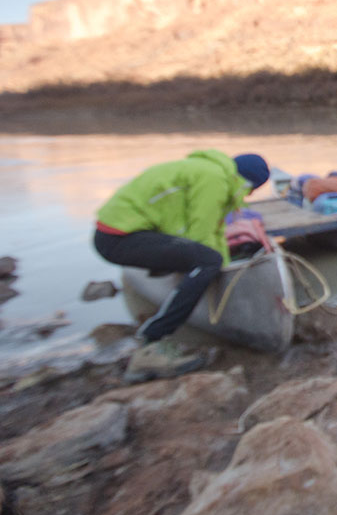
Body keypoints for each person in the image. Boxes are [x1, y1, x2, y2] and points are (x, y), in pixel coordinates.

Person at [94, 150, 270, 383]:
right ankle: (150, 342)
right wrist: (212, 270)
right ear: (247, 182)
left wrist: (226, 271)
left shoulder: (213, 173)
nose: (247, 196)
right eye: (251, 190)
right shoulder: (213, 179)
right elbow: (200, 233)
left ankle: (162, 320)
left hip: (125, 233)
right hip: (119, 237)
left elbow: (215, 231)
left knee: (207, 259)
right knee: (206, 261)